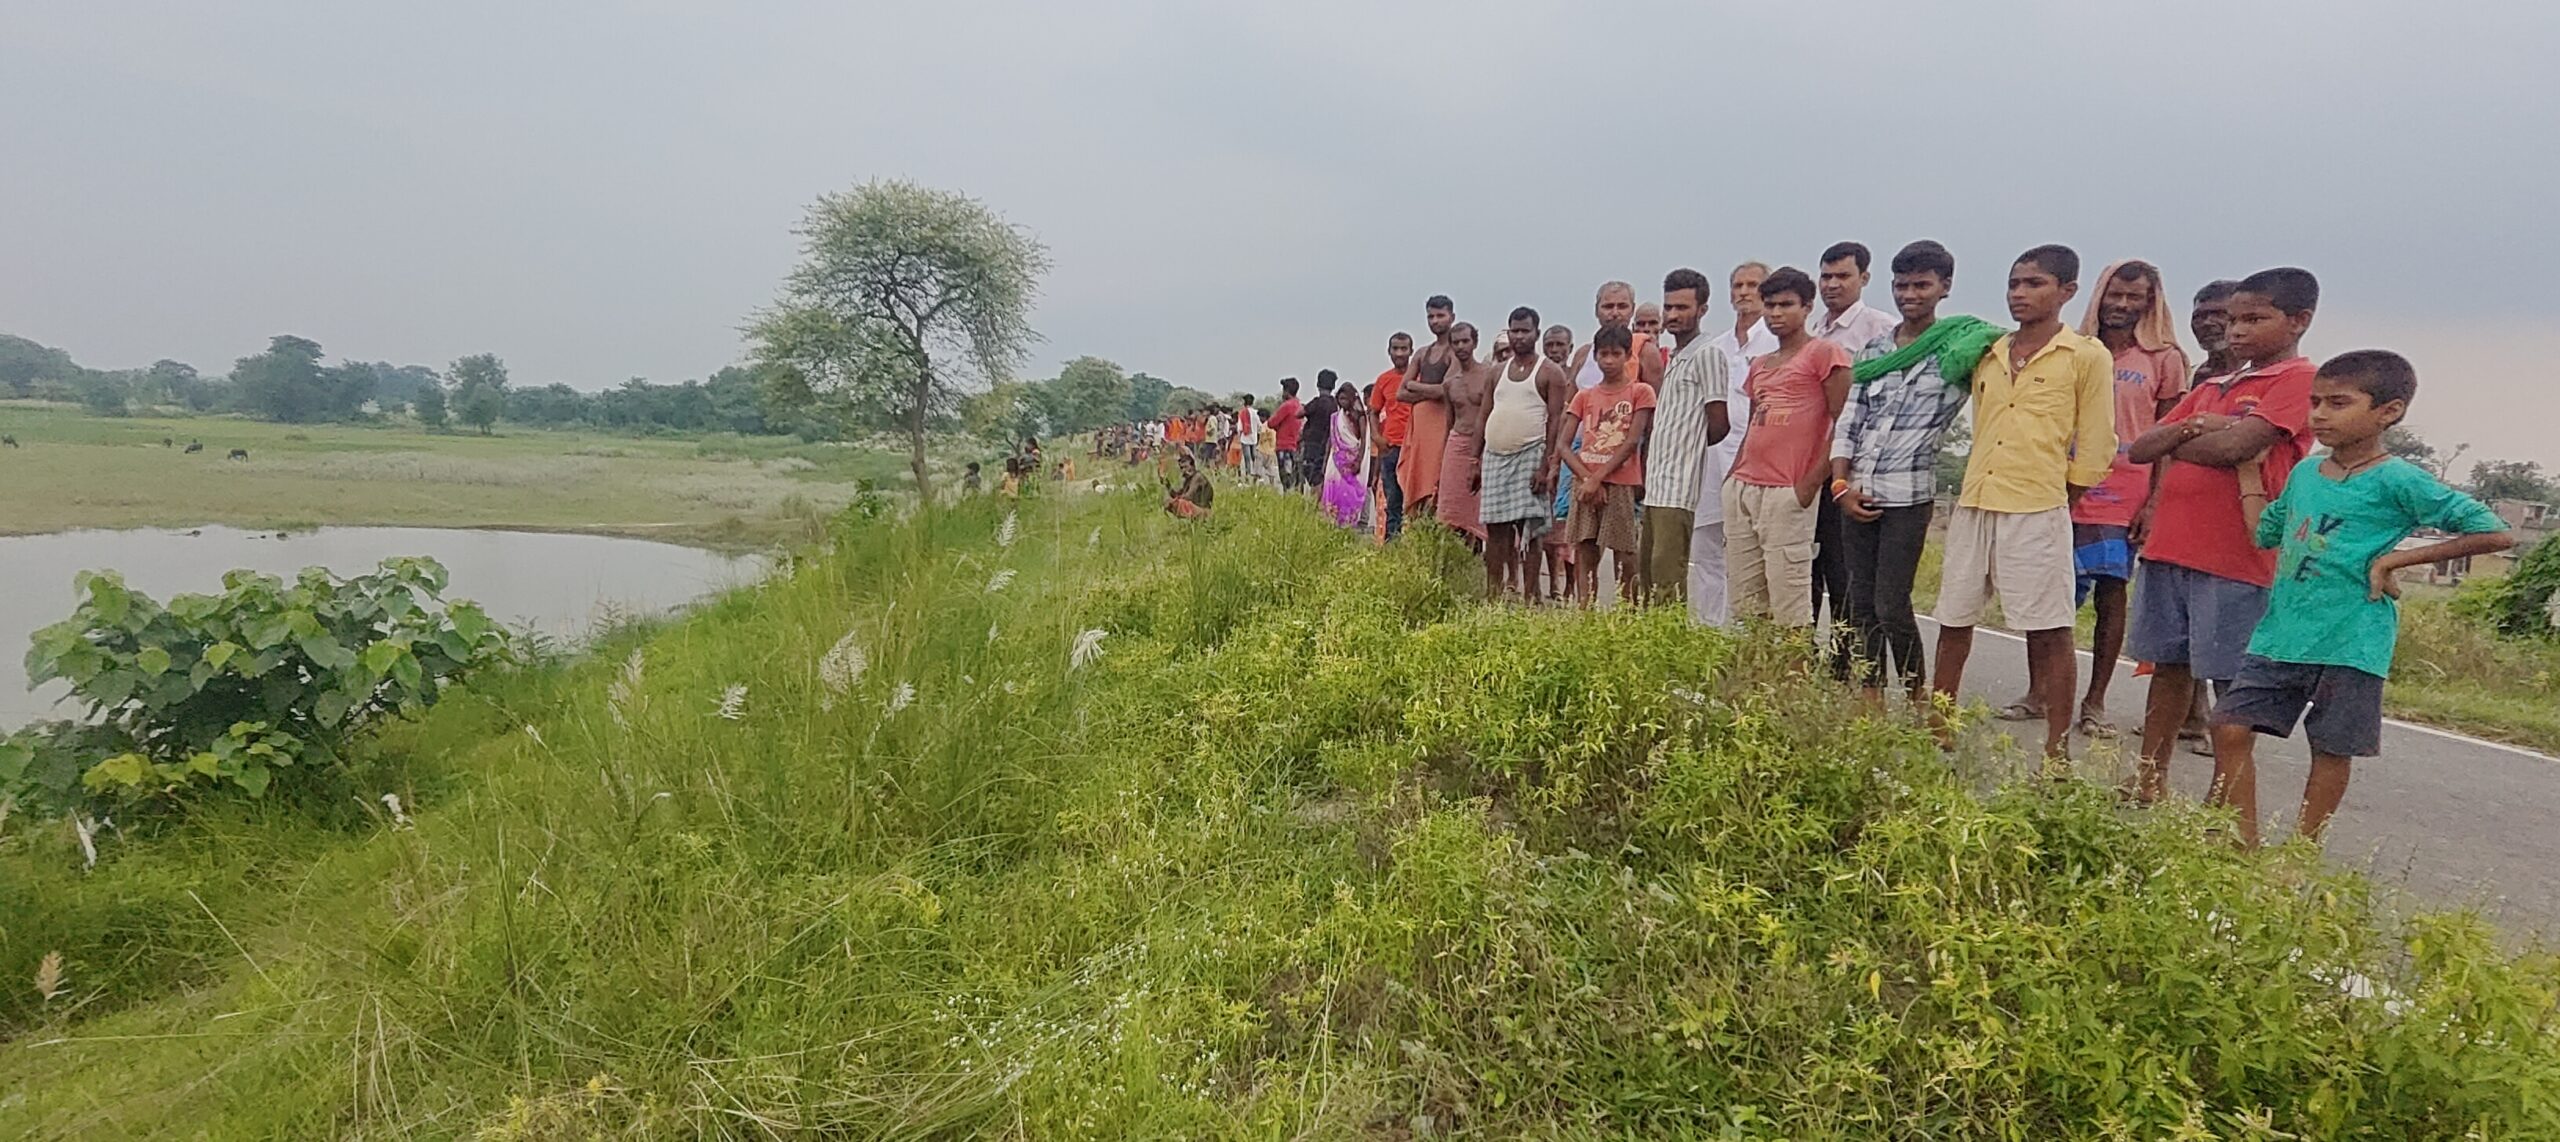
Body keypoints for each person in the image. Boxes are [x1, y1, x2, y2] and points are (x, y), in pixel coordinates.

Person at [2207, 351, 2512, 846]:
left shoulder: (2398, 478)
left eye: (2338, 403)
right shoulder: (2306, 473)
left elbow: (2494, 533)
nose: (2319, 415)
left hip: (2352, 638)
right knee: (2229, 727)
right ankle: (2241, 842)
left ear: (2388, 412)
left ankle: (2299, 854)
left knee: (2331, 747)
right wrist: (2248, 474)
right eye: (2315, 403)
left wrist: (2393, 561)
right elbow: (2264, 533)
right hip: (2282, 632)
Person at [2122, 268, 2322, 803]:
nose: (2236, 330)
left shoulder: (2299, 380)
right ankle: (2149, 777)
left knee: (2230, 680)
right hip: (2171, 545)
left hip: (2235, 554)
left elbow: (2239, 448)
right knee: (2168, 668)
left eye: (2254, 319)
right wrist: (2197, 427)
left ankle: (2224, 797)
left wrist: (2188, 438)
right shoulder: (2212, 386)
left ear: (2299, 320)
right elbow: (2142, 448)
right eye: (2233, 319)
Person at [1928, 245, 2114, 760]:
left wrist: (2062, 496)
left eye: (2034, 284)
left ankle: (2056, 751)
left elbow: (2097, 443)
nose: (2019, 294)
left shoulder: (2085, 356)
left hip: (2037, 506)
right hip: (1976, 498)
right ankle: (1938, 726)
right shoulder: (1989, 351)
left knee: (2051, 628)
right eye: (2014, 283)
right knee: (1954, 619)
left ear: (2067, 291)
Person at [2000, 261, 2192, 733]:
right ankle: (2039, 692)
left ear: (2150, 302)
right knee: (2047, 592)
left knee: (2111, 593)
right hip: (2061, 484)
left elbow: (2169, 436)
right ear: (2099, 295)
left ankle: (2095, 703)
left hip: (2124, 492)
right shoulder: (2074, 348)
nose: (2122, 305)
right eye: (2114, 294)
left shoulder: (2164, 359)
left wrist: (2155, 502)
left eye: (2134, 297)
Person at [1831, 240, 1986, 703]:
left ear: (1944, 287)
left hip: (1909, 496)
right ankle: (1871, 698)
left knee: (1891, 604)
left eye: (1921, 285)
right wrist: (1840, 485)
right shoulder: (1875, 350)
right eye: (1902, 286)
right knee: (1860, 602)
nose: (1910, 295)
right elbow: (1850, 422)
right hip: (1858, 491)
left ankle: (1919, 697)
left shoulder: (1957, 348)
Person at [1722, 267, 1852, 628]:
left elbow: (1844, 424)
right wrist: (1732, 477)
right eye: (1770, 305)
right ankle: (1755, 666)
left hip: (1787, 491)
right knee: (1747, 605)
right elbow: (1753, 421)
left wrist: (1808, 485)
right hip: (1745, 487)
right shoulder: (1761, 364)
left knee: (1790, 604)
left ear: (1807, 307)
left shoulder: (1824, 354)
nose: (1776, 313)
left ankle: (1793, 668)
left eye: (1786, 305)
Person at [1805, 242, 1896, 644]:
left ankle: (1847, 659)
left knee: (1845, 572)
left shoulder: (1881, 329)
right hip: (1812, 463)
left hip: (1853, 469)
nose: (1832, 284)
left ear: (1864, 278)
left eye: (1843, 276)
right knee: (1808, 569)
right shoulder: (1814, 331)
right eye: (1826, 276)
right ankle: (1803, 656)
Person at [1642, 268, 1732, 607]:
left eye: (1682, 307)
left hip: (1678, 487)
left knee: (1667, 579)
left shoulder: (1707, 353)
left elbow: (1719, 423)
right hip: (1656, 483)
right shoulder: (1676, 356)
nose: (1673, 315)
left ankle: (1671, 641)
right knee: (1648, 575)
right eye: (1669, 307)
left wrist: (1687, 447)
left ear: (1702, 309)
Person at [1695, 262, 1776, 624]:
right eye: (1738, 285)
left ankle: (1746, 630)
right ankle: (1709, 629)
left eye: (1752, 285)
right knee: (1706, 546)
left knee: (1750, 552)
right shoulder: (1716, 347)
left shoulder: (1774, 344)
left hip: (1758, 460)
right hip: (1711, 459)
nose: (1744, 292)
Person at [1554, 324, 1655, 606]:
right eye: (1603, 354)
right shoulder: (1584, 396)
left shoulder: (1640, 392)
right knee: (1585, 549)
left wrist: (1597, 478)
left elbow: (1632, 441)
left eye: (1615, 354)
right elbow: (1563, 445)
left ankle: (1627, 611)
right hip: (1585, 484)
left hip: (1620, 484)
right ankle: (1585, 610)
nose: (1608, 361)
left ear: (1628, 356)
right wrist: (1587, 479)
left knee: (1625, 552)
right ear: (1595, 356)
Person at [1480, 306, 1570, 600]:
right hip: (1495, 456)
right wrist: (1474, 460)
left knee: (1531, 531)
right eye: (1514, 331)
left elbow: (1555, 420)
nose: (1519, 337)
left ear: (1536, 333)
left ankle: (1531, 595)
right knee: (1496, 530)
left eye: (1525, 331)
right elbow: (1484, 415)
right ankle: (1493, 594)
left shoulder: (1550, 373)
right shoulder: (1496, 372)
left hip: (1531, 454)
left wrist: (1547, 466)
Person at [1397, 297, 1460, 521]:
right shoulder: (1422, 353)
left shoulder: (1455, 351)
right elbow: (1400, 393)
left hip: (1442, 425)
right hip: (1420, 429)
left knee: (1437, 479)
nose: (1435, 321)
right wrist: (1429, 392)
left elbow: (1447, 390)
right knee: (1418, 477)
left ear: (1452, 317)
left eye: (1440, 315)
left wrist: (1416, 387)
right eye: (1431, 316)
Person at [1435, 322, 1493, 545]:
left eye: (1465, 341)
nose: (1461, 346)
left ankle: (1481, 555)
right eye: (1456, 342)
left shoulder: (1489, 375)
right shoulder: (1450, 383)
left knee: (1480, 508)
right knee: (1450, 510)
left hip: (1485, 445)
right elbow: (1449, 423)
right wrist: (1442, 459)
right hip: (1457, 444)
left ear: (1475, 342)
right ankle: (1453, 557)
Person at [1539, 323, 1579, 600]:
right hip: (1542, 454)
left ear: (1570, 348)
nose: (1554, 350)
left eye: (1560, 345)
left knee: (1569, 528)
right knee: (1546, 528)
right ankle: (1553, 581)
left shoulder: (1574, 380)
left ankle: (1570, 586)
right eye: (1550, 345)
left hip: (1570, 459)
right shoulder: (1540, 376)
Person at [1369, 333, 1415, 533]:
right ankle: (1392, 545)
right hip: (1391, 448)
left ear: (1411, 351)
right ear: (1389, 352)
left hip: (1415, 448)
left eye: (1404, 348)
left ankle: (1415, 545)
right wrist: (1377, 437)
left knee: (1415, 502)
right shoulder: (1383, 380)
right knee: (1393, 502)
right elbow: (1373, 412)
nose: (1399, 353)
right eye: (1395, 348)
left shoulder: (1419, 378)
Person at [1319, 377, 1369, 527]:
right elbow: (1331, 439)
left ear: (1352, 399)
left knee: (1349, 491)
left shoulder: (1359, 417)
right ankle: (1332, 520)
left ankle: (1348, 521)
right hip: (1335, 459)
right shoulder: (1335, 417)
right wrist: (1325, 460)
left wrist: (1359, 460)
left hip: (1353, 458)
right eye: (1340, 399)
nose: (1343, 402)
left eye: (1345, 399)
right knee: (1333, 487)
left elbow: (1364, 440)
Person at [1298, 370, 1339, 491]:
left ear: (1317, 384)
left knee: (1311, 474)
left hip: (1312, 443)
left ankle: (1315, 497)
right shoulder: (1334, 403)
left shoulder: (1316, 402)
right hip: (1328, 443)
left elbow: (1298, 414)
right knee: (1322, 473)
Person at [1272, 378, 1305, 491]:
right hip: (1295, 445)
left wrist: (1279, 427)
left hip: (1283, 445)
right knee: (1295, 476)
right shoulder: (1299, 405)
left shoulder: (1286, 406)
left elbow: (1271, 422)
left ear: (1286, 391)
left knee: (1285, 477)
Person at [1236, 397, 1262, 481]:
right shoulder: (1256, 413)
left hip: (1245, 438)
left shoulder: (1242, 413)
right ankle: (1256, 473)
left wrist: (1238, 436)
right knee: (1254, 457)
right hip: (1254, 438)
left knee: (1247, 458)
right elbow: (1259, 426)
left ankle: (1248, 475)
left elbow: (1240, 427)